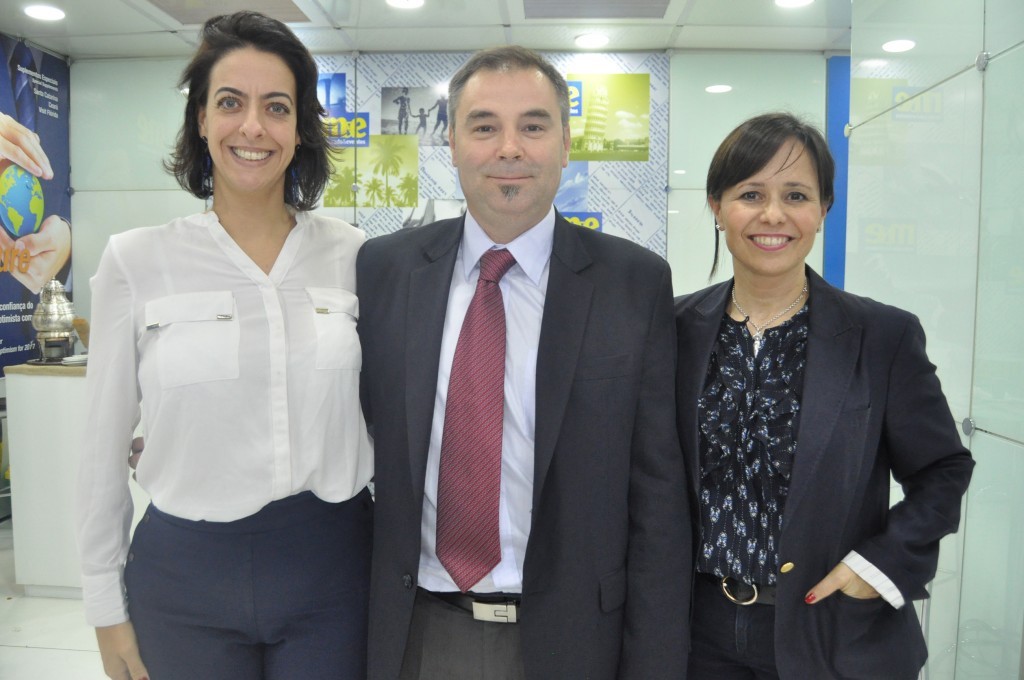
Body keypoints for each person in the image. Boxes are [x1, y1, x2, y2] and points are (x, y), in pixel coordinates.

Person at [357, 45, 690, 680]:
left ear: (566, 144)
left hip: (574, 639)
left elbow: (657, 499)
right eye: (484, 126)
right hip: (417, 632)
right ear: (450, 143)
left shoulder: (632, 283)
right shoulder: (384, 270)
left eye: (534, 126)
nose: (510, 148)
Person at [76, 11, 373, 680]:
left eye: (276, 107)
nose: (253, 128)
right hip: (185, 581)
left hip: (335, 571)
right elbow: (100, 446)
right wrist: (103, 606)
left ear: (299, 129)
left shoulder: (354, 257)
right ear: (202, 121)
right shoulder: (137, 260)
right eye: (230, 103)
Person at [674, 112, 975, 679]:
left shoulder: (881, 336)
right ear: (717, 207)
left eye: (796, 195)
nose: (773, 215)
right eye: (750, 194)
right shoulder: (673, 329)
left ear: (823, 209)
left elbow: (942, 471)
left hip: (834, 632)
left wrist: (881, 565)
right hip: (697, 637)